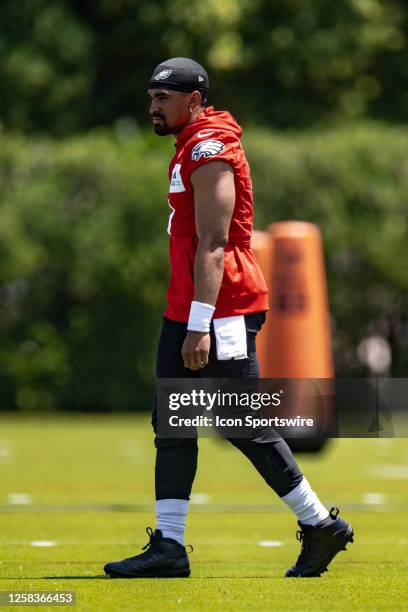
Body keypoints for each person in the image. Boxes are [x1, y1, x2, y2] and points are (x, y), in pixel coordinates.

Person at [104, 57, 353, 579]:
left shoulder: (211, 146)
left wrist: (198, 323)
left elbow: (215, 244)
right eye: (151, 96)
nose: (153, 106)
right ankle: (169, 547)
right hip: (188, 305)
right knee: (171, 424)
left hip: (222, 308)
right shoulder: (189, 142)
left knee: (244, 425)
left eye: (163, 98)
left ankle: (320, 524)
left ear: (193, 99)